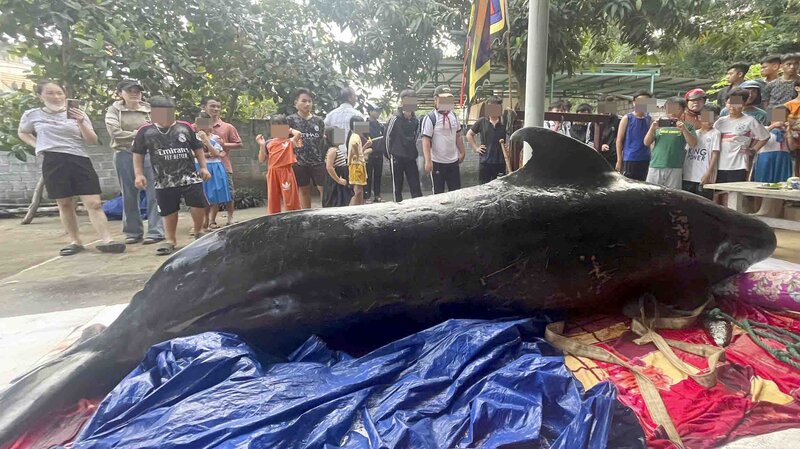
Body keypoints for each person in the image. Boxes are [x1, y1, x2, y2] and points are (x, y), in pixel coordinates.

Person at [18, 80, 125, 256]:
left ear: (65, 94)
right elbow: (23, 132)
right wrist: (38, 145)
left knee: (94, 203)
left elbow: (92, 140)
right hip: (53, 160)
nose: (56, 96)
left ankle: (108, 240)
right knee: (65, 204)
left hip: (79, 159)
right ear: (40, 96)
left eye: (59, 93)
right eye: (50, 93)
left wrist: (81, 121)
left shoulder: (77, 113)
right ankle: (75, 241)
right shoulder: (32, 115)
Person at [132, 96, 210, 256]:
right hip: (164, 180)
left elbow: (198, 148)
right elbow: (138, 154)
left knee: (197, 204)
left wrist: (203, 167)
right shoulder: (145, 131)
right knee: (168, 211)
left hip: (189, 176)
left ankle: (198, 232)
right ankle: (170, 240)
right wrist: (139, 174)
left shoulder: (185, 127)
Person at [105, 79, 163, 245]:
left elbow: (161, 129)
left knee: (155, 193)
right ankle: (132, 232)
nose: (134, 93)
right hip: (124, 154)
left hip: (150, 154)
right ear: (120, 93)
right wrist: (140, 133)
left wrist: (139, 133)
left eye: (137, 90)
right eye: (130, 90)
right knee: (129, 194)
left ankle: (156, 231)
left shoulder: (150, 109)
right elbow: (114, 132)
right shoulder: (113, 110)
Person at [200, 96, 241, 227]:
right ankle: (208, 221)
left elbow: (239, 144)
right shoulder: (197, 126)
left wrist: (225, 144)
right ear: (204, 107)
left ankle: (230, 218)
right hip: (203, 166)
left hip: (223, 165)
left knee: (229, 192)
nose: (216, 109)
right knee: (205, 194)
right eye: (212, 106)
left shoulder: (227, 127)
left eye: (218, 106)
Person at [713, 89, 770, 184]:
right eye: (729, 103)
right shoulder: (720, 121)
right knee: (718, 194)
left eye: (736, 104)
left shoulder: (749, 120)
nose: (732, 107)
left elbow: (764, 136)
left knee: (734, 193)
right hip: (719, 164)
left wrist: (754, 149)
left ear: (743, 104)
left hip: (738, 165)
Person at [643, 97, 698, 189]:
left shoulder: (688, 126)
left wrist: (684, 129)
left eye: (677, 109)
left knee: (673, 195)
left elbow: (693, 144)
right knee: (652, 193)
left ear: (683, 110)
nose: (672, 112)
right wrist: (652, 128)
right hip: (656, 165)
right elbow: (646, 142)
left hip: (675, 166)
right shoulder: (658, 125)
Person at [287, 88, 327, 209]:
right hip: (298, 162)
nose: (307, 104)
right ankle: (307, 216)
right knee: (303, 190)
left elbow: (323, 140)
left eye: (310, 101)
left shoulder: (319, 121)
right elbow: (277, 140)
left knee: (324, 189)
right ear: (296, 103)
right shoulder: (288, 120)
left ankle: (327, 214)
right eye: (304, 101)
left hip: (318, 161)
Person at [422, 85, 465, 193]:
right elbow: (426, 140)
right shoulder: (431, 118)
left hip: (453, 161)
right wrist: (428, 161)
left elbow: (458, 136)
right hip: (437, 162)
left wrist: (462, 152)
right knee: (438, 194)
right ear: (436, 99)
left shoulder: (454, 116)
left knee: (456, 192)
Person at [255, 115, 302, 214]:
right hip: (272, 173)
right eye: (276, 126)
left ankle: (292, 217)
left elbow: (298, 134)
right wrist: (262, 145)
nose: (279, 129)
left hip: (286, 172)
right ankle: (273, 217)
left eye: (281, 126)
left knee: (290, 198)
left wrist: (289, 130)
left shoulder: (290, 142)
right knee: (273, 197)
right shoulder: (269, 143)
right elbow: (261, 159)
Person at [385, 89, 423, 202]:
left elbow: (416, 137)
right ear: (402, 103)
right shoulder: (395, 119)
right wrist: (389, 154)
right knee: (397, 186)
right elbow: (387, 138)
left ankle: (419, 207)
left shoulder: (416, 121)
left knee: (415, 185)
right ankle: (397, 208)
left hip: (411, 157)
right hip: (397, 156)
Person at [194, 112, 231, 228]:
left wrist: (206, 141)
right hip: (199, 167)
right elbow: (192, 154)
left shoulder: (216, 138)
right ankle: (203, 220)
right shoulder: (193, 138)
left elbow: (216, 153)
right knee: (202, 196)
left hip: (215, 167)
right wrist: (207, 155)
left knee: (215, 195)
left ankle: (212, 220)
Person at [682, 104, 721, 200]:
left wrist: (708, 173)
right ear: (699, 117)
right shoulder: (694, 133)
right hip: (688, 175)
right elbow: (686, 151)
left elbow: (715, 154)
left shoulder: (715, 133)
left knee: (703, 203)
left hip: (703, 176)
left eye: (712, 118)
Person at [467, 96, 507, 184]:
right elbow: (469, 134)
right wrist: (476, 148)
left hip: (500, 162)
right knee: (483, 188)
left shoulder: (505, 122)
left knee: (499, 189)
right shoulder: (482, 122)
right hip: (485, 161)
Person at [615, 90, 653, 181]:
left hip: (645, 159)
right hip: (630, 159)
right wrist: (619, 160)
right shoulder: (627, 118)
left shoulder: (650, 119)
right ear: (634, 103)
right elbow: (619, 140)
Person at [753, 106, 793, 183]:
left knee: (782, 180)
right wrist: (773, 126)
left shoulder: (788, 132)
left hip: (783, 158)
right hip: (766, 157)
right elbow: (758, 137)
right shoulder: (765, 128)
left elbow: (791, 147)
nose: (782, 119)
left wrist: (789, 131)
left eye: (785, 117)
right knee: (764, 179)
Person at [325, 86, 365, 155]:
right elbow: (362, 136)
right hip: (353, 153)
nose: (356, 99)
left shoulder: (331, 114)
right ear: (349, 98)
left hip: (335, 154)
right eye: (355, 96)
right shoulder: (358, 115)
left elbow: (325, 133)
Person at [322, 126, 353, 207]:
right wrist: (338, 180)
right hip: (335, 181)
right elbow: (329, 167)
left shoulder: (337, 149)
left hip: (341, 177)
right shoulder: (332, 150)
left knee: (343, 200)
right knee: (336, 201)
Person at [348, 116, 372, 205]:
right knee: (357, 189)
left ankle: (359, 206)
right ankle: (354, 209)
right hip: (356, 165)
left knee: (360, 189)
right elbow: (354, 148)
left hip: (359, 164)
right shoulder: (355, 136)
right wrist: (365, 147)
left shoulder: (357, 136)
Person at [364, 104, 386, 202]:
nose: (378, 113)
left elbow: (384, 139)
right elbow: (358, 138)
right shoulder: (363, 124)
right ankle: (367, 195)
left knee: (378, 175)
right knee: (367, 175)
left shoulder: (381, 125)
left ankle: (377, 195)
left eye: (379, 111)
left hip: (379, 154)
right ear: (370, 112)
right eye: (376, 111)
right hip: (367, 155)